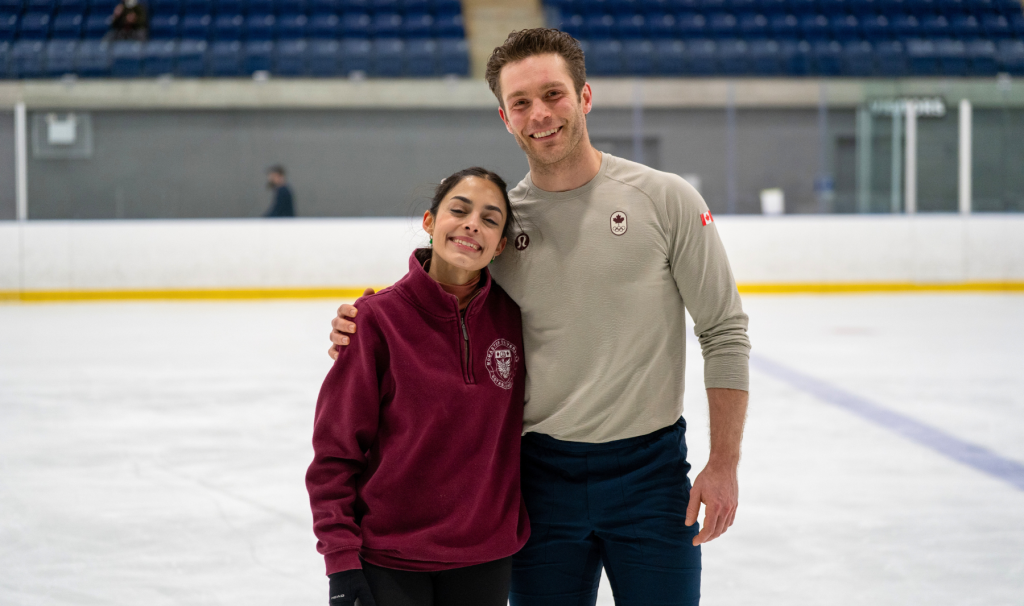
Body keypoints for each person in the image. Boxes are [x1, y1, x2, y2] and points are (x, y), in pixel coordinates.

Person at [329, 29, 750, 606]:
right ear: (505, 117)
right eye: (521, 103)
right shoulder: (501, 228)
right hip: (536, 482)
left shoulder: (666, 199)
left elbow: (724, 331)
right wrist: (366, 319)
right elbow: (439, 299)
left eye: (553, 94)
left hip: (650, 478)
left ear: (584, 97)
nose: (540, 114)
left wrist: (723, 464)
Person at [306, 167, 530, 606]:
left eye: (490, 219)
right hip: (389, 561)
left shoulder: (519, 321)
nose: (472, 224)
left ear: (501, 245)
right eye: (459, 210)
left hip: (485, 558)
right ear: (430, 222)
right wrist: (341, 561)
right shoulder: (374, 322)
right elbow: (335, 454)